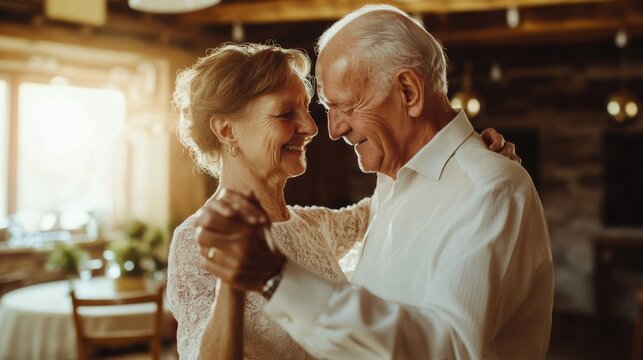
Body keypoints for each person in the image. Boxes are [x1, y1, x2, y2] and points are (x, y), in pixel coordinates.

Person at [195, 4, 553, 360]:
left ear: (409, 92)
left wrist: (276, 279)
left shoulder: (489, 189)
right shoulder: (391, 184)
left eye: (346, 106)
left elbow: (449, 349)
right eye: (328, 108)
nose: (332, 130)